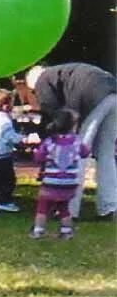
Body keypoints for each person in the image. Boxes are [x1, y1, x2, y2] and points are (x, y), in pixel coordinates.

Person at [24, 62, 117, 222]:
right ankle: (109, 207)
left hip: (92, 97)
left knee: (77, 155)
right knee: (106, 154)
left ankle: (68, 209)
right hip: (112, 92)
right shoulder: (60, 73)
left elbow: (53, 114)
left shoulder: (42, 80)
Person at [33, 109, 91, 239]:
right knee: (64, 207)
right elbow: (85, 153)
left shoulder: (49, 142)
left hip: (51, 182)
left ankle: (39, 230)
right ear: (73, 126)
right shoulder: (77, 142)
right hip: (69, 182)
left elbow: (38, 158)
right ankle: (66, 231)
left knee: (43, 207)